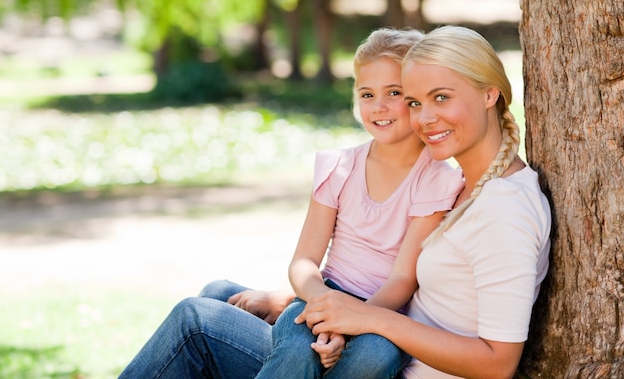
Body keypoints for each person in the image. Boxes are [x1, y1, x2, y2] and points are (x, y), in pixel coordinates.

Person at [118, 27, 464, 379]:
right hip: (324, 296)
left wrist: (349, 321)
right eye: (366, 93)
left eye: (395, 93)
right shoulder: (339, 167)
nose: (379, 106)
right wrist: (322, 305)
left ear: (418, 97)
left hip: (384, 313)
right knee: (295, 344)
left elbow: (402, 279)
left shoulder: (436, 180)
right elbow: (304, 260)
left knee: (375, 353)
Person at [294, 25, 552, 379]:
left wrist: (369, 318)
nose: (425, 119)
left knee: (196, 327)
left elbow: (497, 364)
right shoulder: (462, 186)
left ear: (490, 94)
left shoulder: (505, 210)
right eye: (415, 102)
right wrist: (318, 303)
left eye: (442, 97)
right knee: (217, 299)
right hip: (363, 352)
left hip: (381, 361)